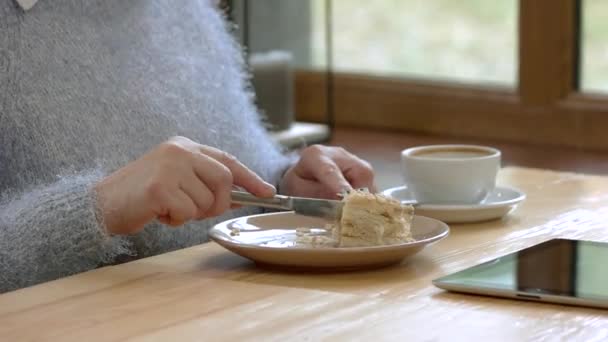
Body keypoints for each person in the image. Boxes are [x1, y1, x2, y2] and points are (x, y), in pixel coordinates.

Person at [0, 0, 375, 293]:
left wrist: (286, 184)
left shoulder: (182, 7)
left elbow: (238, 177)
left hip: (230, 313)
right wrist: (100, 208)